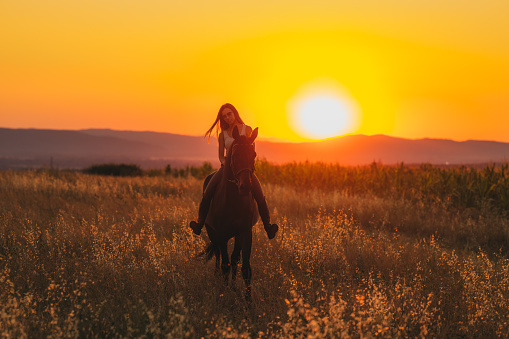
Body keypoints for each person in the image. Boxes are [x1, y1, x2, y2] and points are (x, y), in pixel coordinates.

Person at [189, 103, 279, 239]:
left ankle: (268, 227)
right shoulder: (222, 135)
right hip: (226, 168)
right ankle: (199, 224)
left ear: (235, 113)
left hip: (243, 169)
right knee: (208, 191)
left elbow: (251, 150)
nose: (227, 118)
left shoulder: (247, 129)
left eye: (229, 114)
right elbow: (220, 155)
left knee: (260, 194)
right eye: (224, 116)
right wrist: (226, 165)